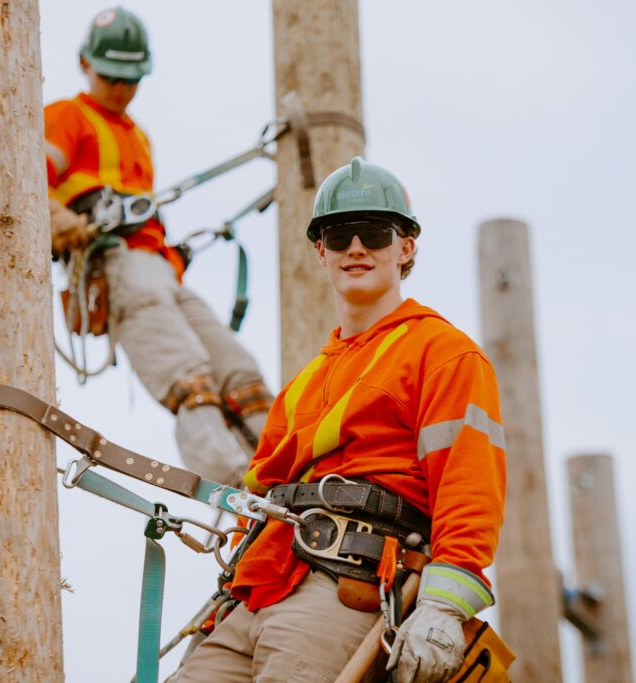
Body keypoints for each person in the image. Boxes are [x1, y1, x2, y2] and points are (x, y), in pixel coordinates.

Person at [172, 158, 507, 683]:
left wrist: (443, 607)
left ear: (405, 248)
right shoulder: (301, 386)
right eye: (339, 233)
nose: (356, 247)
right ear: (320, 251)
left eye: (374, 233)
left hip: (343, 593)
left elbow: (469, 491)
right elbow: (257, 499)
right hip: (259, 595)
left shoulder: (443, 353)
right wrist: (229, 596)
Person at [43, 7, 273, 486]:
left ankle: (287, 472)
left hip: (160, 269)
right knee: (190, 380)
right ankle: (238, 490)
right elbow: (24, 182)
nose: (122, 88)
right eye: (111, 76)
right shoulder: (67, 117)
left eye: (131, 78)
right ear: (85, 64)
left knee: (241, 375)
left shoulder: (138, 137)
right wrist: (57, 216)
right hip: (119, 266)